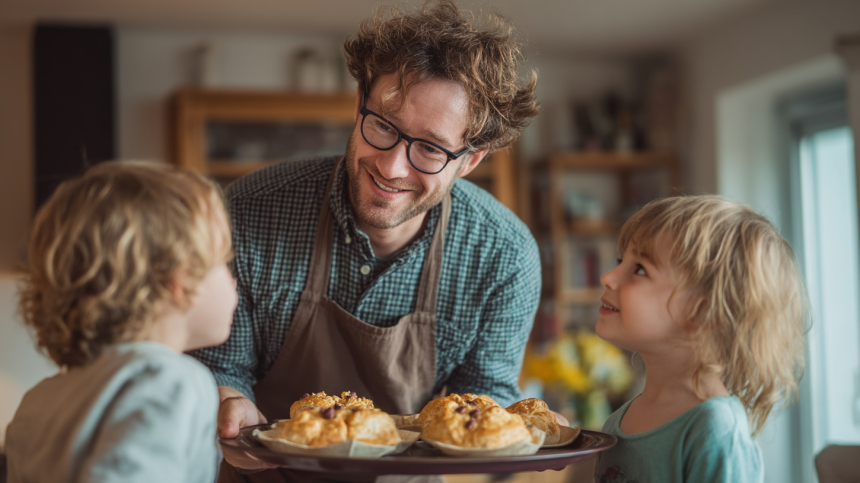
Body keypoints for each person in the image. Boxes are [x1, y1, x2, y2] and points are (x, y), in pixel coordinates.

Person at [190, 0, 545, 479]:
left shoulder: (505, 255)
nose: (392, 167)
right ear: (360, 104)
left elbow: (484, 398)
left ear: (471, 160)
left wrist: (515, 430)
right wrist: (230, 405)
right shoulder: (250, 211)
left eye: (431, 148)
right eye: (383, 125)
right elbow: (219, 366)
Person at [5, 162, 237, 483]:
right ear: (179, 281)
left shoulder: (40, 399)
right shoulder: (171, 381)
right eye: (223, 262)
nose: (234, 279)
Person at [593, 195, 809, 482]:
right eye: (621, 261)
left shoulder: (716, 429)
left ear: (705, 312)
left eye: (640, 269)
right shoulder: (616, 423)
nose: (608, 277)